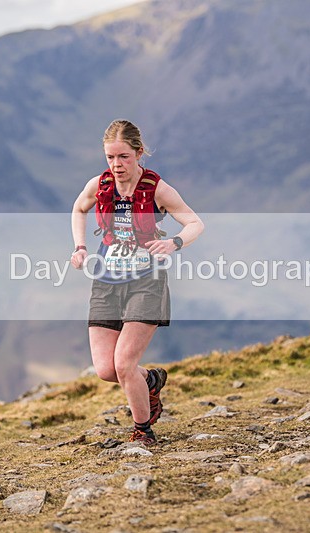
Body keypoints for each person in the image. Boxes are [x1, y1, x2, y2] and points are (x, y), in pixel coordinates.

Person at [70, 119, 204, 445]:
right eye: (110, 158)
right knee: (106, 370)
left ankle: (143, 432)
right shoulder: (99, 184)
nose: (116, 165)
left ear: (139, 153)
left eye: (124, 157)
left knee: (124, 364)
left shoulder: (157, 188)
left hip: (147, 282)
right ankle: (151, 381)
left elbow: (195, 222)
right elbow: (79, 208)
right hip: (106, 281)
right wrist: (81, 247)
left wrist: (174, 243)